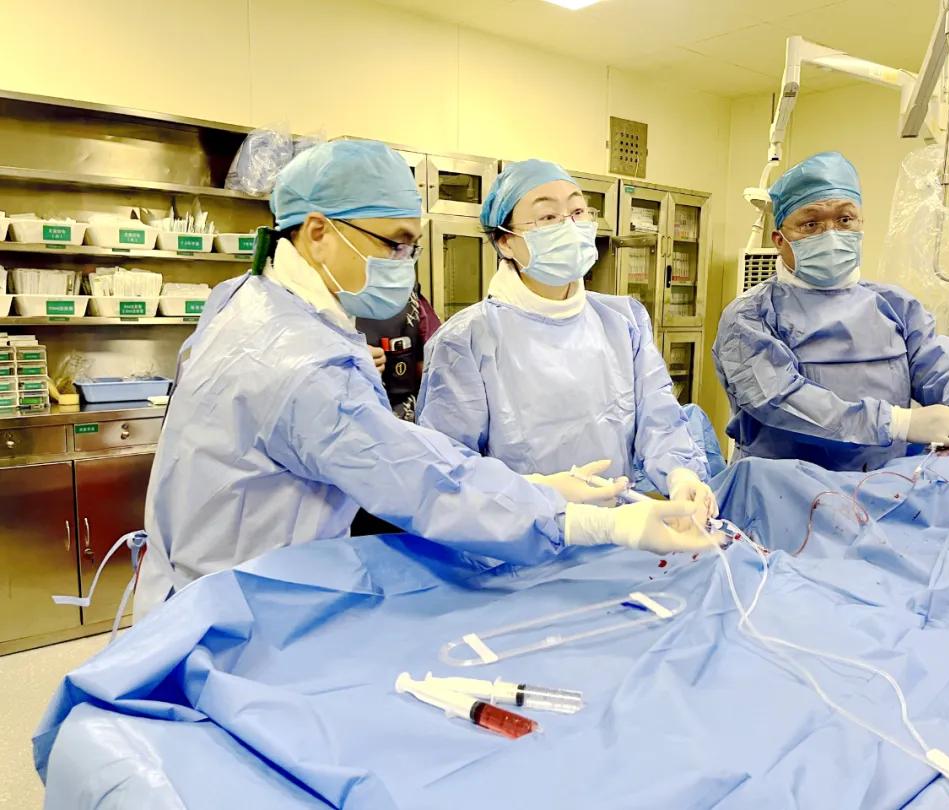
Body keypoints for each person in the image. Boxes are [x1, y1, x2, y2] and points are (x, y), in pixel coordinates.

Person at [135, 140, 710, 620]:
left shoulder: (243, 298)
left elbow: (425, 464)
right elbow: (427, 483)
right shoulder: (308, 366)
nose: (405, 263)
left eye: (578, 211)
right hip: (239, 608)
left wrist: (548, 489)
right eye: (395, 243)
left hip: (205, 584)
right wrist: (584, 517)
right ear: (317, 232)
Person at [416, 159, 717, 526]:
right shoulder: (466, 340)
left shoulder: (623, 321)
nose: (570, 227)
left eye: (577, 212)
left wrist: (681, 476)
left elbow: (660, 418)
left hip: (620, 531)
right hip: (521, 535)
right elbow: (451, 471)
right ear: (506, 241)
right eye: (547, 217)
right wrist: (534, 494)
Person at [714, 151, 949, 472]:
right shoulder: (750, 317)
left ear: (860, 225)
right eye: (811, 224)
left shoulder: (894, 305)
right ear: (779, 239)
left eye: (844, 219)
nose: (831, 234)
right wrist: (897, 423)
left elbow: (934, 360)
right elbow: (779, 400)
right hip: (784, 489)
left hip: (885, 485)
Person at [357, 283, 441, 423]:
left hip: (405, 418)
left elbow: (434, 367)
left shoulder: (412, 302)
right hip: (349, 419)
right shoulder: (321, 306)